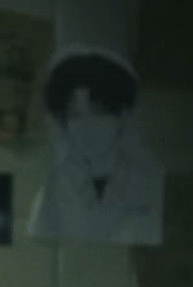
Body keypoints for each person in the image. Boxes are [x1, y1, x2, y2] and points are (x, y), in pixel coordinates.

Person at [25, 46, 163, 245]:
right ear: (64, 123)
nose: (86, 127)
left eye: (98, 112)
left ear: (122, 116)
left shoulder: (149, 181)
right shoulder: (54, 188)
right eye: (75, 115)